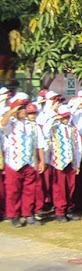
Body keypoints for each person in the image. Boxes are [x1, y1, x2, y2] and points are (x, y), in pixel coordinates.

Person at [3, 94, 45, 227]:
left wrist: (42, 161)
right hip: (14, 162)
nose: (22, 111)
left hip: (29, 162)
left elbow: (40, 144)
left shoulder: (33, 125)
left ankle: (28, 214)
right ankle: (14, 215)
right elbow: (2, 124)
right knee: (13, 190)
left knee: (29, 189)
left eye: (23, 108)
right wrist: (11, 112)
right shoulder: (11, 124)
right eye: (20, 109)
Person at [45, 106, 82, 222]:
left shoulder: (73, 129)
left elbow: (78, 148)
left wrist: (77, 163)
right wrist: (54, 118)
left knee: (70, 187)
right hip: (59, 162)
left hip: (71, 162)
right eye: (64, 117)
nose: (66, 119)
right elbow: (45, 131)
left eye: (67, 116)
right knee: (59, 188)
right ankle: (60, 211)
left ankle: (69, 209)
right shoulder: (53, 128)